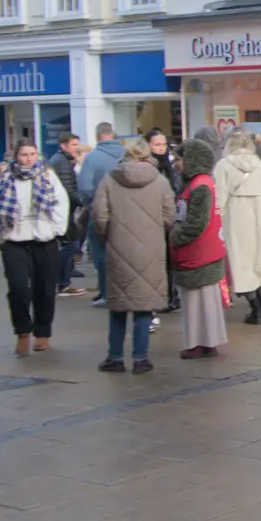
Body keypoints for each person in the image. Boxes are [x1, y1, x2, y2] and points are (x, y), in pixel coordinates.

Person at [92, 138, 176, 374]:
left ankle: (115, 357)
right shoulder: (160, 181)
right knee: (143, 306)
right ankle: (140, 358)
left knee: (118, 306)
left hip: (118, 249)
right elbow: (170, 216)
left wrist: (109, 236)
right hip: (151, 250)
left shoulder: (109, 180)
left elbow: (99, 216)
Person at [0, 140, 69, 355]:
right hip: (14, 242)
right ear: (16, 156)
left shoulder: (48, 176)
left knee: (45, 289)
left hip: (44, 241)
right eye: (24, 154)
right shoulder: (6, 180)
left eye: (32, 154)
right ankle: (22, 332)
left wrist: (57, 230)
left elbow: (61, 203)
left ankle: (42, 333)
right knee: (19, 289)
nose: (28, 158)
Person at [170, 138, 229, 359]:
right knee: (208, 302)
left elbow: (195, 223)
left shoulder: (198, 186)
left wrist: (174, 237)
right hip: (207, 252)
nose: (176, 163)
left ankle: (195, 342)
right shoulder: (204, 182)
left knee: (195, 303)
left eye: (179, 159)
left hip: (196, 253)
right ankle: (209, 341)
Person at [214, 131, 261, 325]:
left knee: (240, 265)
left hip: (235, 220)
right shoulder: (260, 166)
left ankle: (256, 307)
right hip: (259, 220)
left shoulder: (223, 166)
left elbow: (219, 197)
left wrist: (218, 220)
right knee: (254, 263)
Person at [76, 123, 125, 309]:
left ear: (97, 137)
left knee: (101, 255)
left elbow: (85, 188)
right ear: (114, 135)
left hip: (99, 212)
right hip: (125, 212)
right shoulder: (127, 155)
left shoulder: (92, 158)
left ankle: (106, 293)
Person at [49, 134, 88, 298]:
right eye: (73, 144)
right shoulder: (62, 163)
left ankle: (61, 281)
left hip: (63, 210)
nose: (76, 148)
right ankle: (62, 283)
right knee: (69, 245)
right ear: (63, 145)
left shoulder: (61, 160)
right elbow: (68, 189)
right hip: (63, 211)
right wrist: (83, 203)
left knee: (68, 245)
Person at [147, 129, 182, 313]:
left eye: (163, 144)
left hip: (169, 220)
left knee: (169, 261)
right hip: (152, 221)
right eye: (156, 144)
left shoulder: (171, 166)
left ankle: (170, 295)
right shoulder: (146, 167)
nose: (161, 148)